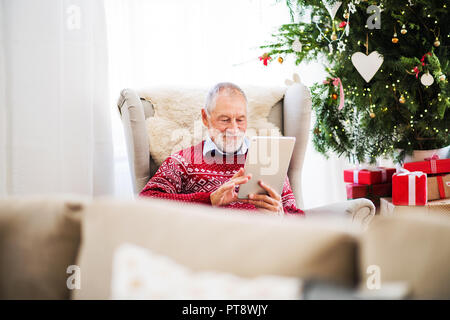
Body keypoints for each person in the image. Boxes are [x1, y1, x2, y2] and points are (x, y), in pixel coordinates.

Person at [139, 82, 304, 216]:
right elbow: (146, 202)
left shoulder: (269, 159)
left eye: (240, 119)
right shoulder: (183, 160)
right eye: (225, 120)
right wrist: (209, 200)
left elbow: (298, 219)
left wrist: (281, 215)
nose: (233, 128)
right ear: (205, 118)